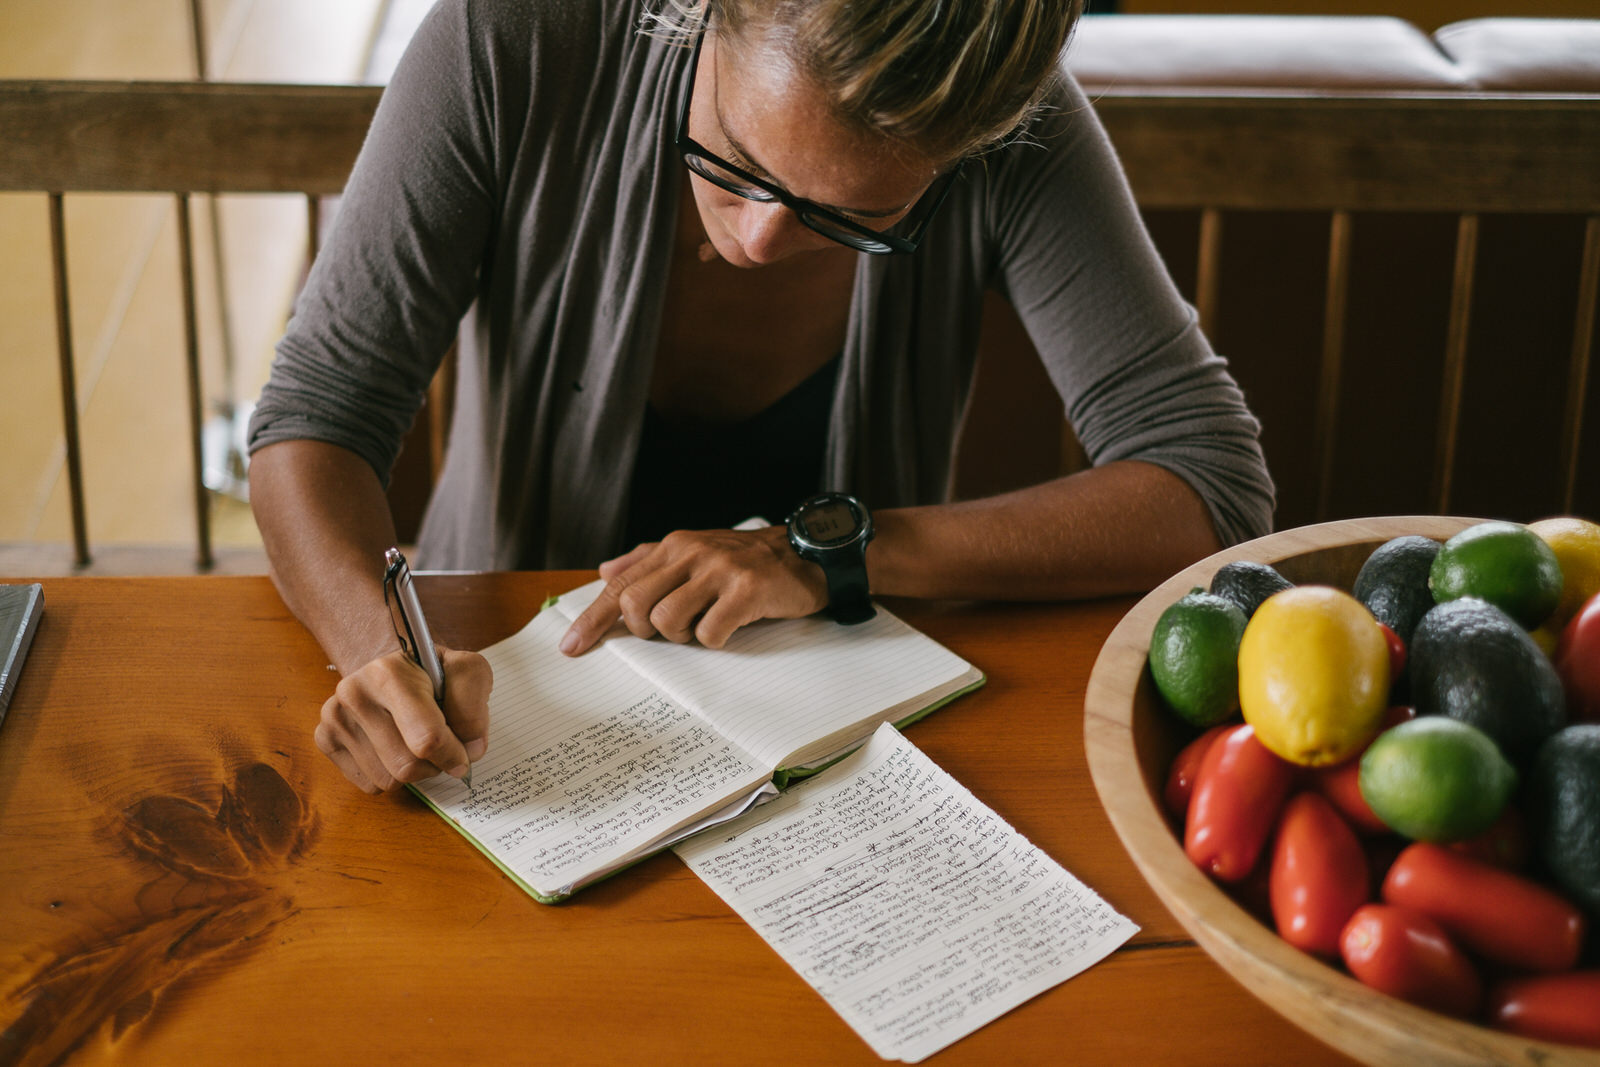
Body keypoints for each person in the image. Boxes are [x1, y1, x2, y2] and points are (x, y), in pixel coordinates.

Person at [247, 0, 1275, 794]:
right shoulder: (512, 39)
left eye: (859, 215)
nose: (753, 240)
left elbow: (1208, 481)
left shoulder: (1016, 130)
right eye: (731, 158)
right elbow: (315, 419)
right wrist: (384, 656)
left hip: (842, 740)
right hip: (507, 705)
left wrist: (827, 555)